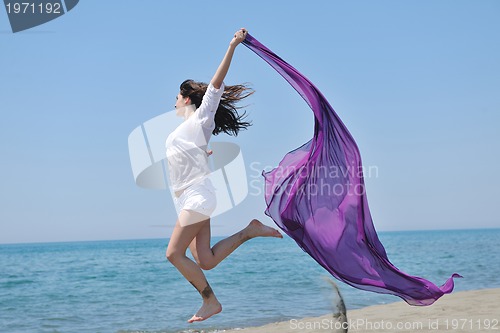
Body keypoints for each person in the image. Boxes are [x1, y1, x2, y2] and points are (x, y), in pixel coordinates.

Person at [165, 28, 283, 324]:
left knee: (173, 254)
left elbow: (216, 85)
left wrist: (232, 46)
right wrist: (200, 156)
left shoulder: (202, 116)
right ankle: (249, 231)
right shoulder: (189, 132)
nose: (174, 103)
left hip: (197, 195)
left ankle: (210, 301)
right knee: (205, 260)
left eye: (176, 98)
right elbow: (186, 156)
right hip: (187, 199)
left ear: (187, 98)